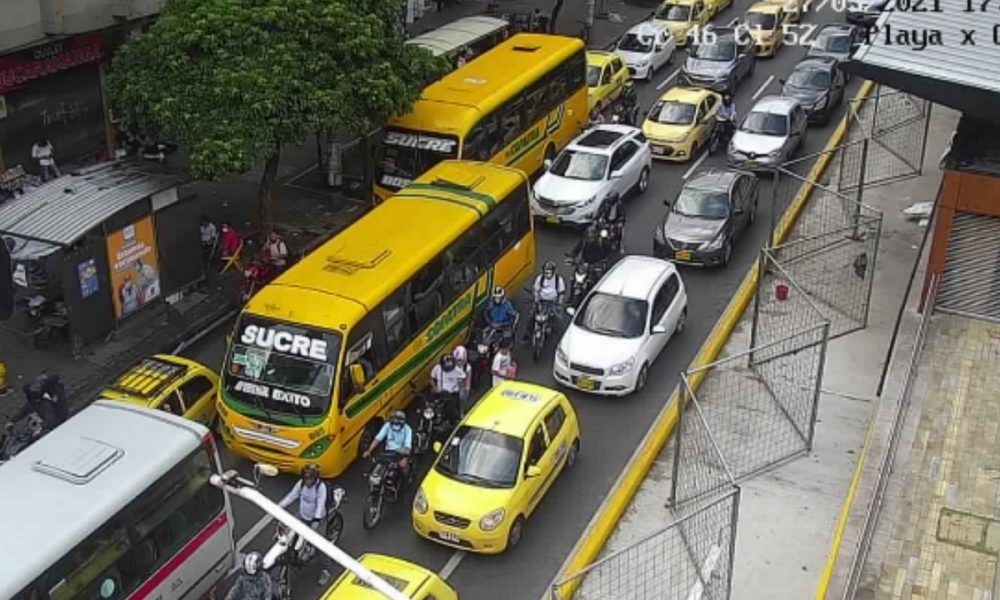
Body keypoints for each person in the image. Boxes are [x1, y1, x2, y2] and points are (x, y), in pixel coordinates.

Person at [278, 463, 333, 585]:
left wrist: (316, 521)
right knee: (289, 534)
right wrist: (279, 506)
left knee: (320, 546)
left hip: (316, 520)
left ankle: (326, 571)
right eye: (306, 478)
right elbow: (292, 496)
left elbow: (320, 505)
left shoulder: (321, 488)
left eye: (310, 479)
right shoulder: (301, 484)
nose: (308, 481)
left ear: (315, 478)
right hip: (302, 516)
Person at [363, 410, 413, 479]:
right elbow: (378, 439)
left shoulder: (408, 430)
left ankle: (407, 478)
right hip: (388, 451)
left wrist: (403, 451)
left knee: (403, 464)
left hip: (401, 452)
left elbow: (407, 448)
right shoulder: (387, 425)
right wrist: (369, 450)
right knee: (377, 464)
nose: (395, 426)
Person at [524, 261, 567, 341]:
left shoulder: (559, 280)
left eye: (549, 273)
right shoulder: (540, 278)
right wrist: (536, 299)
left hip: (553, 302)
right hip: (541, 301)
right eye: (545, 273)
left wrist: (559, 303)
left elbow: (561, 293)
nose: (547, 275)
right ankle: (527, 334)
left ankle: (562, 338)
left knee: (559, 319)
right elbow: (536, 290)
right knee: (531, 316)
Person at [430, 354, 465, 422]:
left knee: (450, 410)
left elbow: (463, 379)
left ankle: (452, 422)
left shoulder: (458, 371)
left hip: (451, 394)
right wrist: (434, 387)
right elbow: (431, 379)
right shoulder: (437, 368)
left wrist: (461, 387)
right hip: (439, 392)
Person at [451, 345, 473, 415]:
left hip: (462, 386)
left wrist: (467, 387)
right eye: (458, 360)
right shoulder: (451, 366)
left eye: (461, 360)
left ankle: (461, 411)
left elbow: (468, 377)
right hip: (453, 386)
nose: (459, 362)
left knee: (462, 398)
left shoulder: (467, 366)